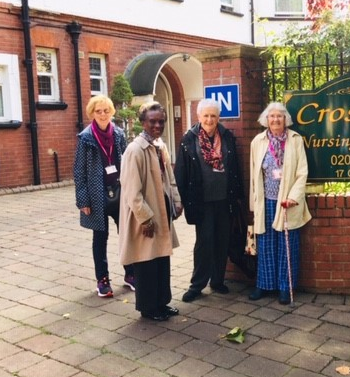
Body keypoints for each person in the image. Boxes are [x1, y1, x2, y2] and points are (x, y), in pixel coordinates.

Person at [118, 101, 183, 321]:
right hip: (145, 216)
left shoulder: (159, 146)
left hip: (162, 209)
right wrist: (145, 219)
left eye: (161, 121)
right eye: (152, 121)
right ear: (143, 122)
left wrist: (176, 201)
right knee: (146, 262)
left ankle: (162, 302)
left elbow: (169, 178)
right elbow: (131, 191)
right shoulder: (135, 150)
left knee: (161, 259)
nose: (157, 125)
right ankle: (148, 307)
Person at [174, 98, 243, 303]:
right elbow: (181, 172)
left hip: (224, 198)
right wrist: (181, 200)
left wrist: (238, 196)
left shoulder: (227, 136)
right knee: (204, 242)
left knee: (222, 240)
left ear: (218, 117)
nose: (210, 119)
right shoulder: (189, 139)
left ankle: (218, 280)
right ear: (199, 117)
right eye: (206, 115)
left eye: (213, 115)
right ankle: (197, 285)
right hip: (201, 200)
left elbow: (235, 167)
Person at [248, 102, 312, 305]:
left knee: (287, 245)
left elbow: (302, 172)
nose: (275, 120)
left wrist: (294, 196)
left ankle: (285, 287)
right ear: (266, 120)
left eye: (279, 116)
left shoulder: (295, 140)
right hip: (266, 200)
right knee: (265, 243)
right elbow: (253, 175)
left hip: (287, 201)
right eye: (272, 116)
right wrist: (253, 203)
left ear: (286, 119)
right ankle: (264, 285)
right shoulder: (257, 141)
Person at [74, 94, 135, 298]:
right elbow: (79, 171)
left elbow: (127, 162)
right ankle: (103, 280)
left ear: (112, 112)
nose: (102, 114)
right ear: (92, 113)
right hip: (96, 195)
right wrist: (83, 200)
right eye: (98, 111)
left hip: (119, 192)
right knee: (100, 238)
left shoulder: (118, 134)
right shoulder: (86, 138)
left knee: (126, 234)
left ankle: (131, 274)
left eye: (106, 110)